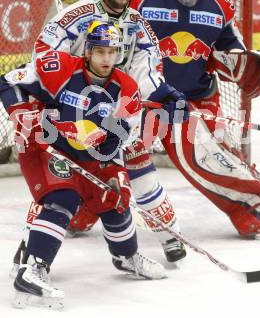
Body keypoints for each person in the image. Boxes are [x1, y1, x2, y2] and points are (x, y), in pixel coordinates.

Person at [12, 0, 188, 269]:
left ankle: (167, 236)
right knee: (59, 180)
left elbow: (146, 67)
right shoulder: (76, 15)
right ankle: (30, 248)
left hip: (110, 111)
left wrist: (162, 92)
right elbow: (44, 54)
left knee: (133, 158)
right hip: (69, 113)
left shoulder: (138, 24)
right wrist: (59, 93)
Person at [0, 22, 167, 309]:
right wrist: (20, 112)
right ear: (88, 50)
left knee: (116, 199)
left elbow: (121, 137)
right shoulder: (58, 67)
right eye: (99, 51)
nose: (105, 58)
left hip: (90, 153)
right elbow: (8, 80)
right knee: (63, 198)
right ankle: (34, 269)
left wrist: (113, 167)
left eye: (112, 52)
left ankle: (126, 256)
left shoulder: (126, 89)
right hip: (44, 145)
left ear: (120, 54)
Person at [129, 0, 260, 238]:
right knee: (106, 152)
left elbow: (230, 49)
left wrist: (248, 65)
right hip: (142, 98)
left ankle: (257, 204)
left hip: (193, 99)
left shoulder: (216, 1)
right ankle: (84, 208)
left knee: (205, 159)